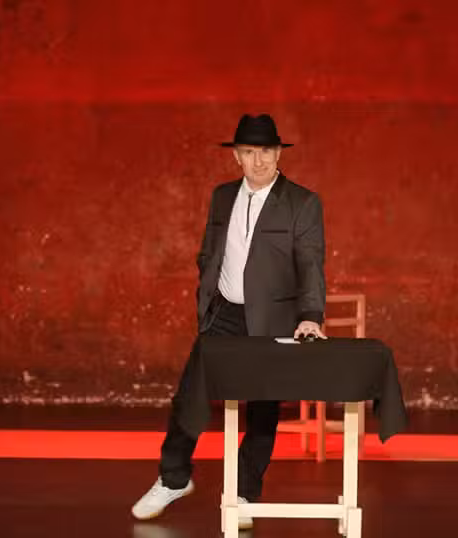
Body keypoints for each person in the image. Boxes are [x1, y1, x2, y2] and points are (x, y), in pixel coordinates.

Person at [131, 114, 326, 530]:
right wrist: (207, 302)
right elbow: (210, 251)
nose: (259, 161)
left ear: (279, 153)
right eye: (249, 152)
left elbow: (311, 265)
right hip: (223, 315)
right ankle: (173, 478)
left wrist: (310, 316)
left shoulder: (303, 202)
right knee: (190, 396)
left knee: (263, 412)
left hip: (273, 320)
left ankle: (243, 494)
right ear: (236, 156)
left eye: (267, 151)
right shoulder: (222, 197)